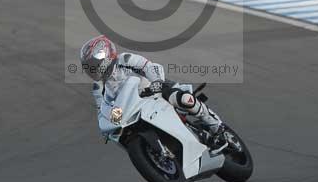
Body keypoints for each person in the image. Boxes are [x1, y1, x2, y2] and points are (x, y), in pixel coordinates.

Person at [79, 34, 225, 148]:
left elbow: (147, 66)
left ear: (105, 56)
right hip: (130, 108)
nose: (92, 69)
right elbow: (102, 110)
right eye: (88, 67)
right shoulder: (98, 87)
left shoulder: (124, 59)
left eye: (93, 65)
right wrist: (108, 126)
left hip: (153, 90)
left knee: (184, 99)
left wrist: (156, 82)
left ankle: (215, 125)